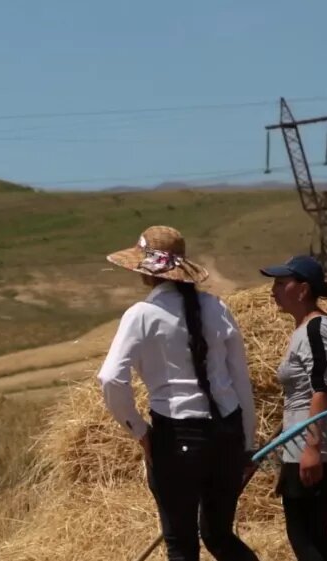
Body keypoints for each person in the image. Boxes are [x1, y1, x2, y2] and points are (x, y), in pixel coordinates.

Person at [97, 225, 259, 561]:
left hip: (177, 438)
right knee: (219, 536)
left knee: (181, 546)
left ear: (145, 271)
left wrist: (139, 432)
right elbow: (240, 381)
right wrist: (246, 444)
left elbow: (111, 378)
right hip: (227, 433)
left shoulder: (141, 315)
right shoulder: (217, 307)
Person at [259, 255, 327, 561]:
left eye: (280, 283)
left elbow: (323, 388)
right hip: (306, 442)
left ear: (302, 290)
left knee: (307, 542)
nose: (272, 290)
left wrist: (312, 446)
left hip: (313, 445)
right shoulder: (313, 328)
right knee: (315, 538)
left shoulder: (317, 330)